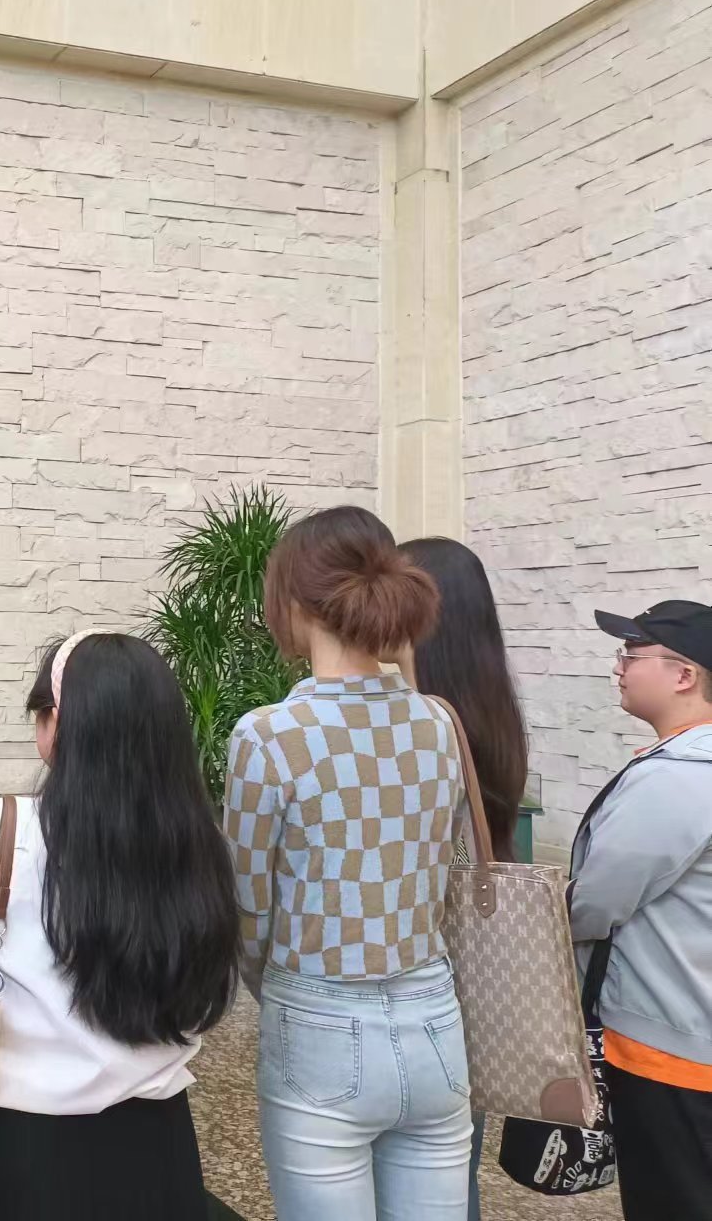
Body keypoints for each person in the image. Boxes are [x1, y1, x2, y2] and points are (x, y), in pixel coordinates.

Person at [0, 631, 240, 1219]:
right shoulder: (200, 845)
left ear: (58, 725)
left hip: (21, 1150)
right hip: (161, 1149)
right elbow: (206, 995)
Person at [224, 506, 472, 1221]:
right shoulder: (439, 721)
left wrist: (271, 984)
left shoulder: (269, 736)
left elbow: (248, 904)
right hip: (435, 1018)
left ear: (294, 603)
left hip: (318, 1021)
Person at [400, 537, 530, 1221]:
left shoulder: (422, 727)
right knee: (451, 1175)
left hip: (425, 979)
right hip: (477, 981)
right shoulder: (492, 711)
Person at [571, 600, 712, 1220]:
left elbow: (597, 900)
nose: (619, 666)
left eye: (632, 653)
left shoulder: (681, 776)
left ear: (684, 675)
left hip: (672, 1051)